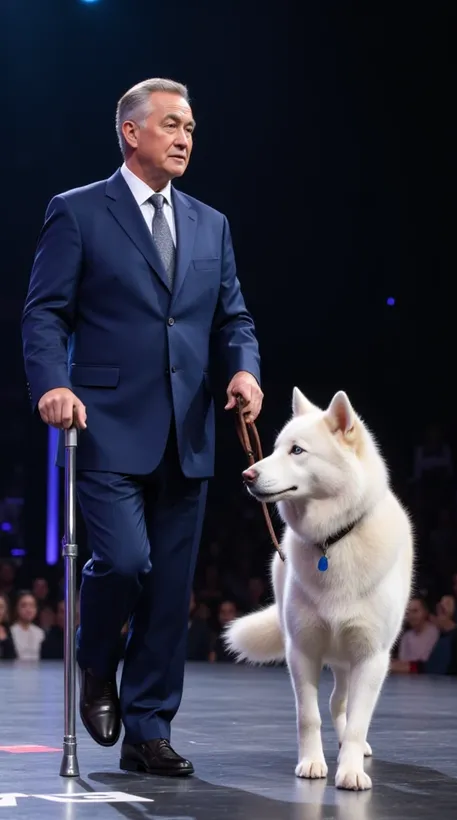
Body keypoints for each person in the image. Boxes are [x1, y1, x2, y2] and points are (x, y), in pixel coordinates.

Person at [22, 78, 262, 776]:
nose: (185, 136)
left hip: (189, 430)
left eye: (190, 126)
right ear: (131, 132)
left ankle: (149, 731)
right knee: (124, 561)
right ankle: (97, 662)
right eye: (171, 124)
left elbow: (234, 319)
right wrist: (53, 384)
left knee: (168, 593)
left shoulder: (211, 223)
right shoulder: (77, 212)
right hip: (105, 423)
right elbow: (44, 314)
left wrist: (244, 371)